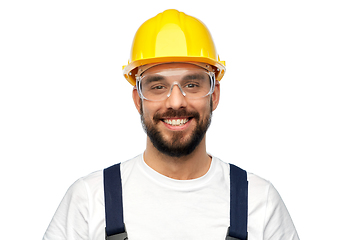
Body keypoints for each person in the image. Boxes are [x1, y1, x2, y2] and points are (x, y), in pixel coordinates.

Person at [43, 9, 299, 240]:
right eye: (158, 86)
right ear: (138, 100)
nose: (176, 101)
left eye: (192, 84)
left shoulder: (258, 201)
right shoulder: (90, 200)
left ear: (215, 94)